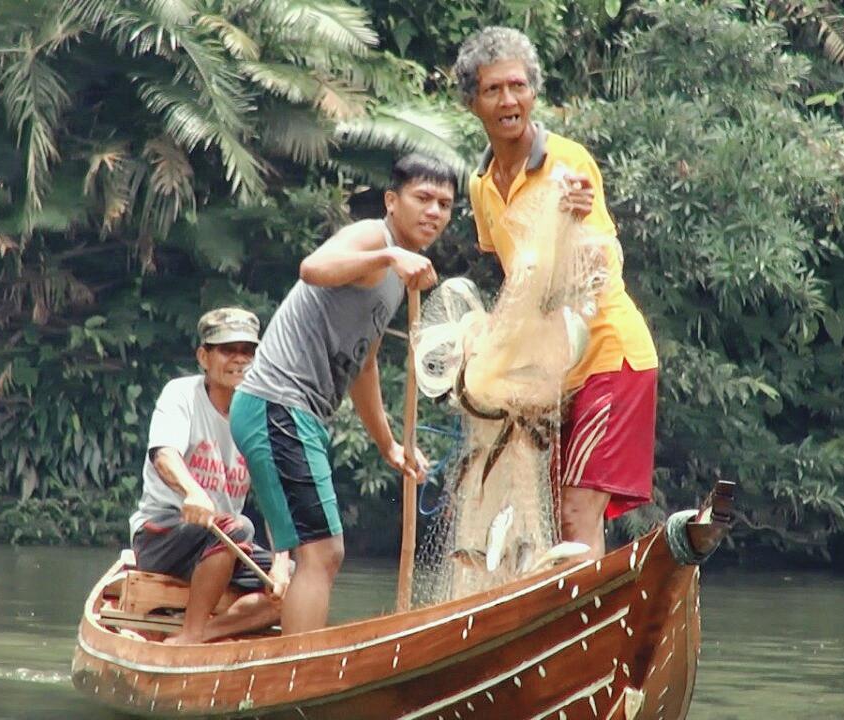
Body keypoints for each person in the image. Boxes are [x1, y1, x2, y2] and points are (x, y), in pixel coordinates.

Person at [454, 27, 659, 562]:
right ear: (472, 100)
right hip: (548, 372)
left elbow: (600, 255)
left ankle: (582, 633)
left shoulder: (566, 163)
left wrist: (573, 219)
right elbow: (514, 278)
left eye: (518, 86)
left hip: (607, 354)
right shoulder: (481, 185)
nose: (508, 101)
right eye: (494, 90)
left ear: (534, 93)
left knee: (574, 514)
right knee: (538, 519)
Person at [229, 154, 456, 634]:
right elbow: (313, 267)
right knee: (323, 552)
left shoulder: (399, 280)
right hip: (277, 403)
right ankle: (300, 676)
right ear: (392, 202)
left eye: (445, 204)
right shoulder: (377, 238)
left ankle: (291, 660)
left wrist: (390, 445)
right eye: (423, 198)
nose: (434, 211)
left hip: (296, 415)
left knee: (315, 554)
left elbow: (364, 364)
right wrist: (388, 256)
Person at [128, 307, 286, 645]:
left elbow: (274, 495)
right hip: (163, 535)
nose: (240, 360)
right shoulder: (181, 394)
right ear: (204, 356)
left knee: (296, 587)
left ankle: (204, 635)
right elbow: (163, 453)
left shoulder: (260, 414)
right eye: (228, 350)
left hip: (223, 543)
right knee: (238, 525)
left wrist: (283, 562)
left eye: (248, 352)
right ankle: (192, 633)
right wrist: (192, 492)